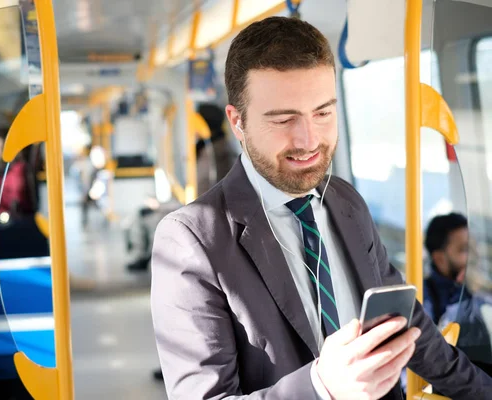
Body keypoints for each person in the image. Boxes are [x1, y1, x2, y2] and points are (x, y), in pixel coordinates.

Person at [150, 16, 492, 399]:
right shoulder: (191, 241)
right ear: (237, 122)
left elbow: (408, 327)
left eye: (324, 113)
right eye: (283, 119)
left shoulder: (346, 202)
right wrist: (321, 387)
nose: (309, 140)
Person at [423, 212, 492, 365]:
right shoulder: (424, 296)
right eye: (464, 250)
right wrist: (462, 292)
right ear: (439, 258)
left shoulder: (480, 289)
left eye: (473, 247)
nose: (473, 256)